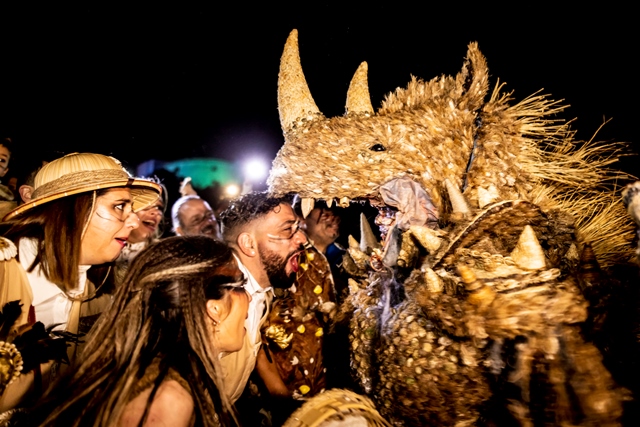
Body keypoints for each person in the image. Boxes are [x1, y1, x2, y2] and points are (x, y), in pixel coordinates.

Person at [23, 236, 249, 426]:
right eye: (239, 287)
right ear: (214, 308)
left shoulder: (157, 372)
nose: (248, 297)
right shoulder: (165, 400)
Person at [0, 152, 161, 410]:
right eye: (119, 207)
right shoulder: (4, 271)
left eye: (132, 209)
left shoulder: (99, 289)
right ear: (70, 211)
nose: (133, 221)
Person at [218, 192, 307, 405]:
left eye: (298, 229)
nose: (302, 239)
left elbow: (255, 351)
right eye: (287, 230)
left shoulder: (262, 292)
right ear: (248, 244)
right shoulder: (216, 298)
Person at [114, 186, 166, 284]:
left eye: (159, 207)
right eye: (146, 205)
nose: (155, 212)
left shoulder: (164, 255)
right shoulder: (104, 250)